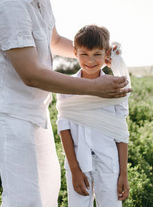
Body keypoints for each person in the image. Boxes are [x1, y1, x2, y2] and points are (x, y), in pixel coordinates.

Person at [0, 0, 131, 206]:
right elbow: (31, 74)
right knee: (24, 199)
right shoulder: (10, 5)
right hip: (7, 110)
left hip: (34, 109)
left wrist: (93, 56)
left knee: (48, 188)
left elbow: (55, 41)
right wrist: (95, 87)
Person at [56, 25, 130, 206]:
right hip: (78, 162)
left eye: (97, 54)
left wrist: (123, 174)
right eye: (84, 54)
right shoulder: (66, 87)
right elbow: (63, 129)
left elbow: (121, 132)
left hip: (108, 163)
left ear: (106, 54)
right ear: (75, 52)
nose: (90, 60)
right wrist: (74, 169)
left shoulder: (116, 86)